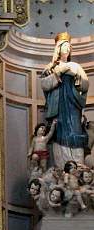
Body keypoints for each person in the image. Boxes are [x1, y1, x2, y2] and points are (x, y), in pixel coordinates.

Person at [41, 32, 89, 169]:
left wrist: (77, 76)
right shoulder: (51, 67)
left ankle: (78, 167)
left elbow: (85, 85)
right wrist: (59, 72)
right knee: (59, 131)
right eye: (65, 46)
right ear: (58, 48)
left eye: (69, 47)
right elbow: (44, 84)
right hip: (58, 107)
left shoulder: (75, 66)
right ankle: (62, 168)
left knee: (75, 130)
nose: (68, 49)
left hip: (73, 105)